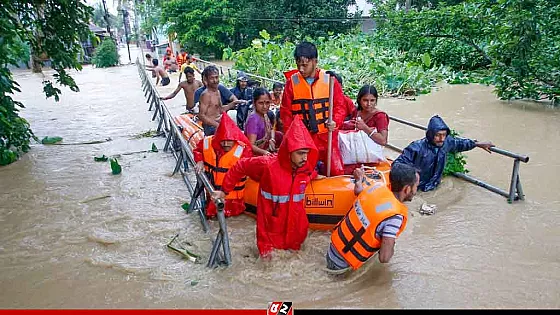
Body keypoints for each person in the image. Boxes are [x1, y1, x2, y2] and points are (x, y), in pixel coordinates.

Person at [212, 117, 319, 257]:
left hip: (295, 231)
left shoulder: (305, 168)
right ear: (289, 151)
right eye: (300, 153)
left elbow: (308, 175)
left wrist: (315, 176)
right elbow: (241, 166)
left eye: (306, 153)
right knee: (268, 266)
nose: (304, 158)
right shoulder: (268, 165)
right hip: (270, 231)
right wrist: (224, 191)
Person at [325, 163, 420, 274]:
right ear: (407, 189)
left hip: (332, 249)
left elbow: (358, 191)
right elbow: (384, 258)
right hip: (342, 266)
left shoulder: (376, 187)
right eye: (416, 186)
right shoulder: (395, 217)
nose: (416, 190)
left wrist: (359, 179)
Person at [280, 41, 346, 176]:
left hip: (327, 137)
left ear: (315, 62)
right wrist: (292, 139)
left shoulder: (330, 80)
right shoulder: (291, 83)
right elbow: (286, 114)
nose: (301, 69)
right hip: (304, 139)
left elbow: (340, 107)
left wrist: (335, 122)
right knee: (303, 173)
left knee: (336, 171)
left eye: (305, 65)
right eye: (298, 65)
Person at [393, 115, 495, 192]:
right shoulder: (416, 147)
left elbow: (460, 144)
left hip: (434, 185)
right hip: (417, 188)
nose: (442, 139)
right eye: (438, 135)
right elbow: (397, 164)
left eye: (444, 135)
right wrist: (413, 175)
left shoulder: (447, 142)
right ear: (430, 134)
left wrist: (477, 144)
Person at [193, 114, 253, 218]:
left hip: (233, 201)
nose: (225, 144)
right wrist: (199, 161)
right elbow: (198, 150)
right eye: (223, 140)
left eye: (229, 140)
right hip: (212, 196)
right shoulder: (207, 142)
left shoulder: (243, 151)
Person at [198, 65, 245, 136]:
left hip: (219, 122)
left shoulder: (218, 92)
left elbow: (220, 109)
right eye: (212, 78)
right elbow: (201, 116)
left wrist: (233, 103)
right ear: (206, 80)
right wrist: (217, 125)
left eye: (216, 77)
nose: (215, 81)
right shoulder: (206, 95)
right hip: (210, 127)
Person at [244, 87, 284, 156]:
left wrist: (272, 138)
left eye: (267, 103)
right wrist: (265, 153)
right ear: (254, 103)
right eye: (261, 103)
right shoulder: (253, 119)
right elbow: (251, 145)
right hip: (255, 156)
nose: (265, 106)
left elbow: (271, 129)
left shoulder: (265, 115)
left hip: (265, 149)